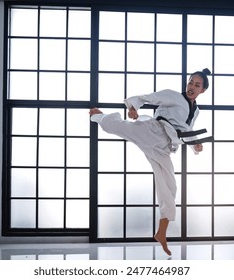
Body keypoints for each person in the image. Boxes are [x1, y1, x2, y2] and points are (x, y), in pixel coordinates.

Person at [89, 68, 211, 256]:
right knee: (117, 126)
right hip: (153, 131)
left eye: (197, 85)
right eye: (190, 82)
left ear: (203, 90)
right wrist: (133, 108)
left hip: (164, 148)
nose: (191, 87)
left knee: (170, 187)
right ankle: (97, 115)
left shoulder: (196, 112)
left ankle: (161, 233)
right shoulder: (173, 96)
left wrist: (196, 146)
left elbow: (187, 132)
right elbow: (148, 97)